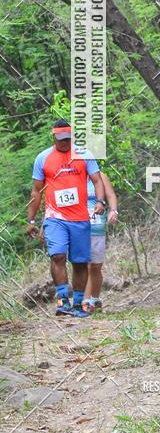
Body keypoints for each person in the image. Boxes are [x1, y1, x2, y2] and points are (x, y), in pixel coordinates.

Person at [27, 119, 105, 317]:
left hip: (80, 217)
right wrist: (31, 220)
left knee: (79, 262)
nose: (65, 143)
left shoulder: (84, 155)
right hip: (55, 217)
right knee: (58, 255)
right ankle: (63, 301)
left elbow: (97, 180)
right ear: (53, 136)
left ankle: (78, 303)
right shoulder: (43, 158)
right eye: (61, 139)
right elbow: (36, 191)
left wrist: (100, 202)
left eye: (68, 139)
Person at [83, 171, 119, 313]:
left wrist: (113, 211)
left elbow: (111, 195)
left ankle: (95, 299)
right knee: (84, 265)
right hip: (79, 227)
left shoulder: (101, 176)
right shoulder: (72, 175)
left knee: (95, 266)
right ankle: (85, 302)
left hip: (97, 227)